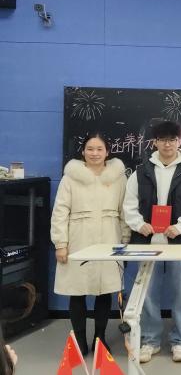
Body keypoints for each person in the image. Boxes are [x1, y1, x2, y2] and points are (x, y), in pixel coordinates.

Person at [123, 120, 181, 363]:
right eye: (163, 140)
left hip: (180, 242)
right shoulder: (141, 171)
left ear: (180, 142)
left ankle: (180, 341)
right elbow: (129, 204)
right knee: (147, 293)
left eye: (172, 140)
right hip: (149, 241)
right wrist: (139, 224)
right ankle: (150, 340)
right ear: (155, 142)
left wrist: (180, 227)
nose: (167, 144)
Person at [50, 132, 129, 355]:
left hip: (110, 239)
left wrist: (125, 239)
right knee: (77, 292)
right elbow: (60, 212)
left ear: (107, 152)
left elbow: (124, 210)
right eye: (90, 149)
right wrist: (60, 243)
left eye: (99, 149)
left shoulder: (118, 177)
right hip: (78, 240)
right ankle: (80, 341)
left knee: (105, 291)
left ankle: (100, 338)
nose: (95, 153)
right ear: (83, 152)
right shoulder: (70, 178)